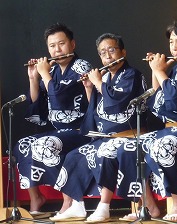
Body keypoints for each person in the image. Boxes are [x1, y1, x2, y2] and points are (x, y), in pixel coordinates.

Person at [116, 19, 177, 222]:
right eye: (171, 43)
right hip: (172, 128)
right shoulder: (176, 69)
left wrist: (159, 71)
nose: (174, 47)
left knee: (162, 146)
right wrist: (157, 71)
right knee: (128, 147)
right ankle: (148, 205)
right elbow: (158, 100)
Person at [49, 32, 148, 223]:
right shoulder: (105, 77)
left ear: (123, 52)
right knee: (75, 155)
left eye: (112, 50)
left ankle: (104, 206)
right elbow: (96, 110)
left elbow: (117, 104)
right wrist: (89, 88)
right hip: (108, 136)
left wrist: (97, 82)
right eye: (103, 53)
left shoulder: (132, 74)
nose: (108, 56)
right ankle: (77, 205)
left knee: (103, 152)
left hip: (129, 136)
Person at [12, 23, 92, 216]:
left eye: (61, 44)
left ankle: (71, 199)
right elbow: (36, 100)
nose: (57, 50)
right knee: (21, 145)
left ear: (72, 44)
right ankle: (36, 198)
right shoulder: (54, 70)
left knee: (45, 145)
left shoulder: (81, 66)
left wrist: (44, 74)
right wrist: (33, 78)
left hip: (81, 130)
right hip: (60, 131)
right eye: (52, 46)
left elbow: (60, 98)